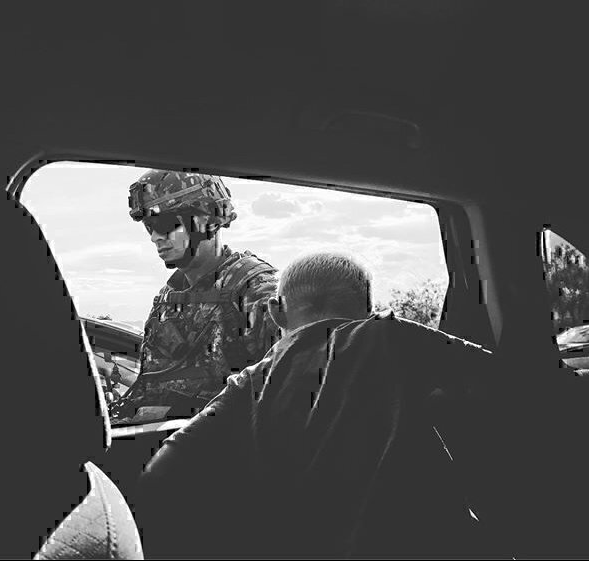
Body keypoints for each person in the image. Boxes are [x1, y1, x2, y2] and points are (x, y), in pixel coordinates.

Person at [137, 252, 489, 558]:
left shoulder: (249, 383)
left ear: (276, 313)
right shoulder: (389, 335)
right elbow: (506, 384)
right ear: (370, 309)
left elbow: (161, 474)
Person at [109, 169, 280, 423]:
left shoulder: (255, 290)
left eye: (164, 224)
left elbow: (284, 396)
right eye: (149, 227)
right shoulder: (167, 297)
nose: (156, 237)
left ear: (206, 219)